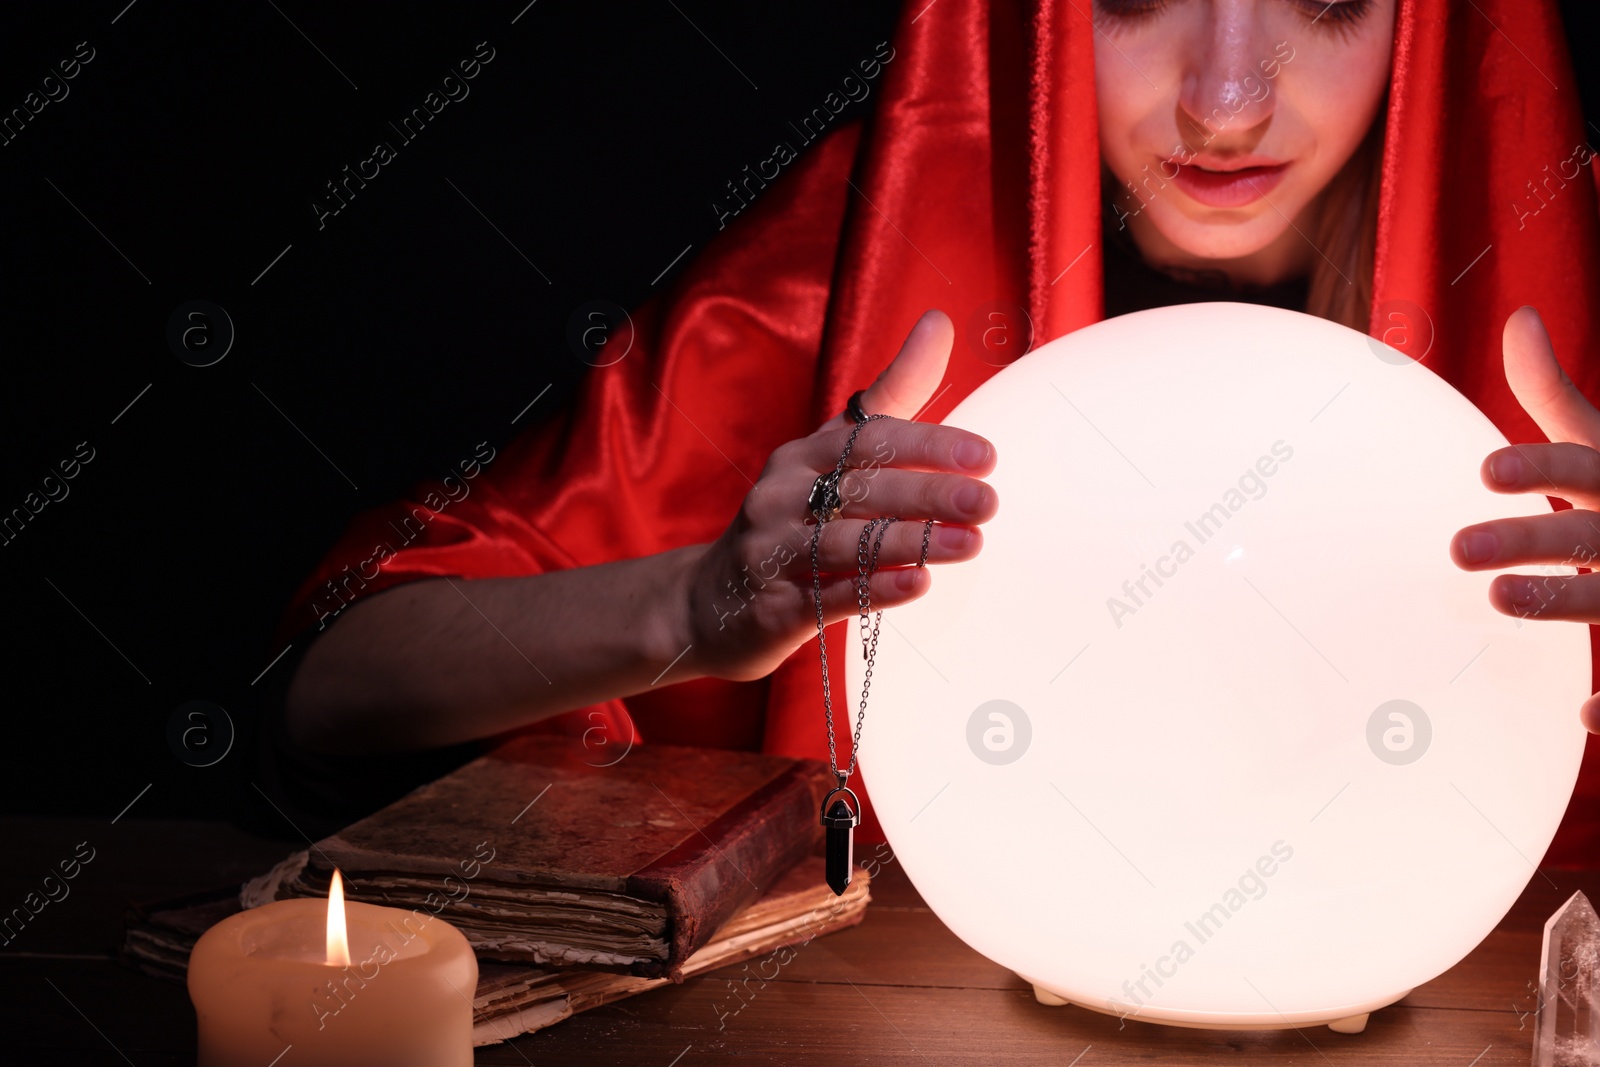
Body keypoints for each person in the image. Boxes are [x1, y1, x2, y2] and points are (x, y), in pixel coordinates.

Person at [269, 0, 1600, 861]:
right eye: (1134, 1)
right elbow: (334, 679)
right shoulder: (856, 270)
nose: (1229, 99)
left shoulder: (1574, 287)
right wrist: (699, 600)